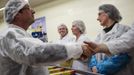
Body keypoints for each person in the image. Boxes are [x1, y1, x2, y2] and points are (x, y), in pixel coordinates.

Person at [0, 0, 92, 75]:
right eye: (28, 8)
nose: (33, 11)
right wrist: (78, 49)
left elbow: (43, 54)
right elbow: (35, 54)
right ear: (17, 13)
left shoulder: (23, 35)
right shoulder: (9, 35)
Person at [88, 4, 131, 75]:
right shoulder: (100, 35)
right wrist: (93, 65)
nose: (97, 18)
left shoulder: (125, 30)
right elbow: (93, 53)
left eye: (99, 14)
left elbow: (123, 56)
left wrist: (99, 69)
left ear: (108, 14)